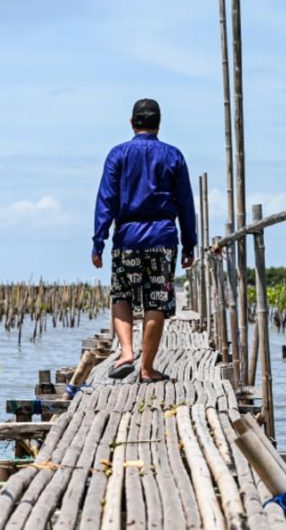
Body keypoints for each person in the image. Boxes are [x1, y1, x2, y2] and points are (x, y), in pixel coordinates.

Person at [92, 98, 197, 382]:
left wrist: (98, 240)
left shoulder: (118, 155)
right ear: (158, 123)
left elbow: (106, 200)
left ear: (132, 122)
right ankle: (147, 368)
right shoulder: (173, 156)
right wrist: (190, 243)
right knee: (156, 302)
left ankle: (126, 352)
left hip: (127, 238)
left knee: (122, 295)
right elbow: (186, 203)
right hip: (162, 239)